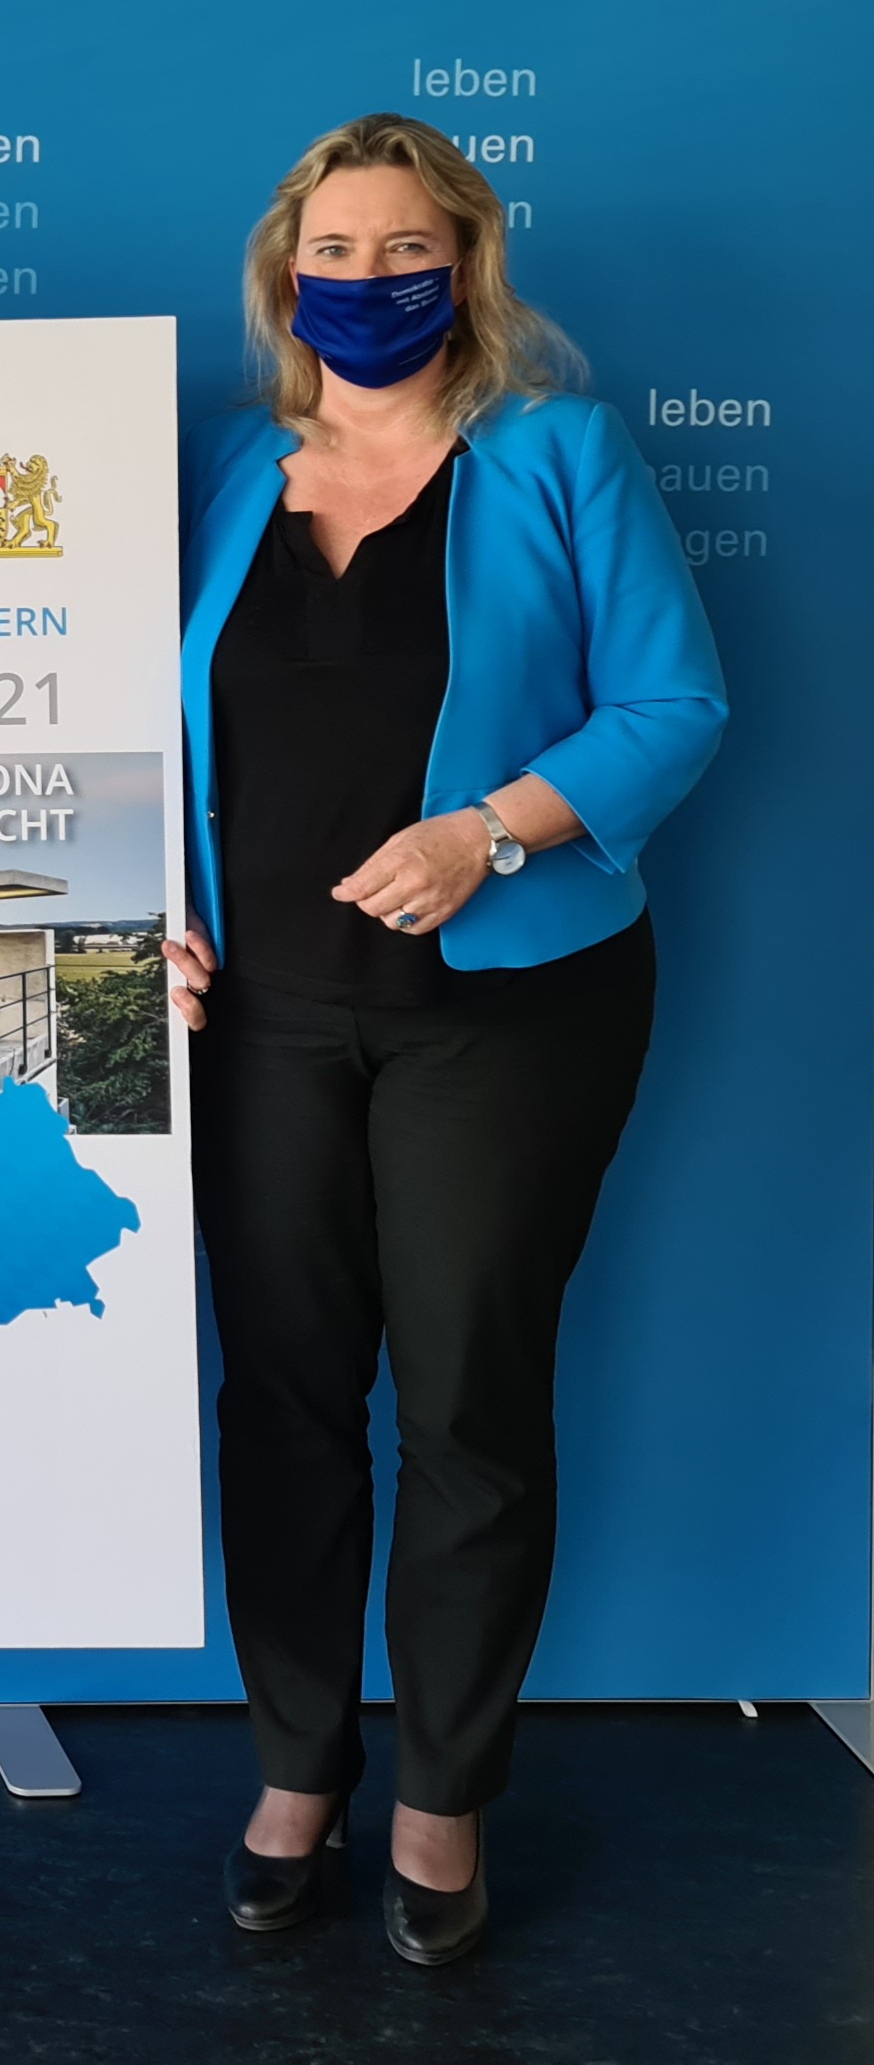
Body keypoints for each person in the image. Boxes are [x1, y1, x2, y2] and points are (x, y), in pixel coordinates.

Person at [163, 114, 725, 1966]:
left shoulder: (557, 449)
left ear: (465, 264)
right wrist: (146, 909)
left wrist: (490, 829)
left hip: (505, 1016)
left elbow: (673, 702)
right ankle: (294, 1768)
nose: (368, 280)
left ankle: (441, 1796)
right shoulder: (228, 468)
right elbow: (148, 728)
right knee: (282, 1401)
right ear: (284, 275)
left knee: (468, 1403)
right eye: (334, 251)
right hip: (261, 1020)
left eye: (406, 248)